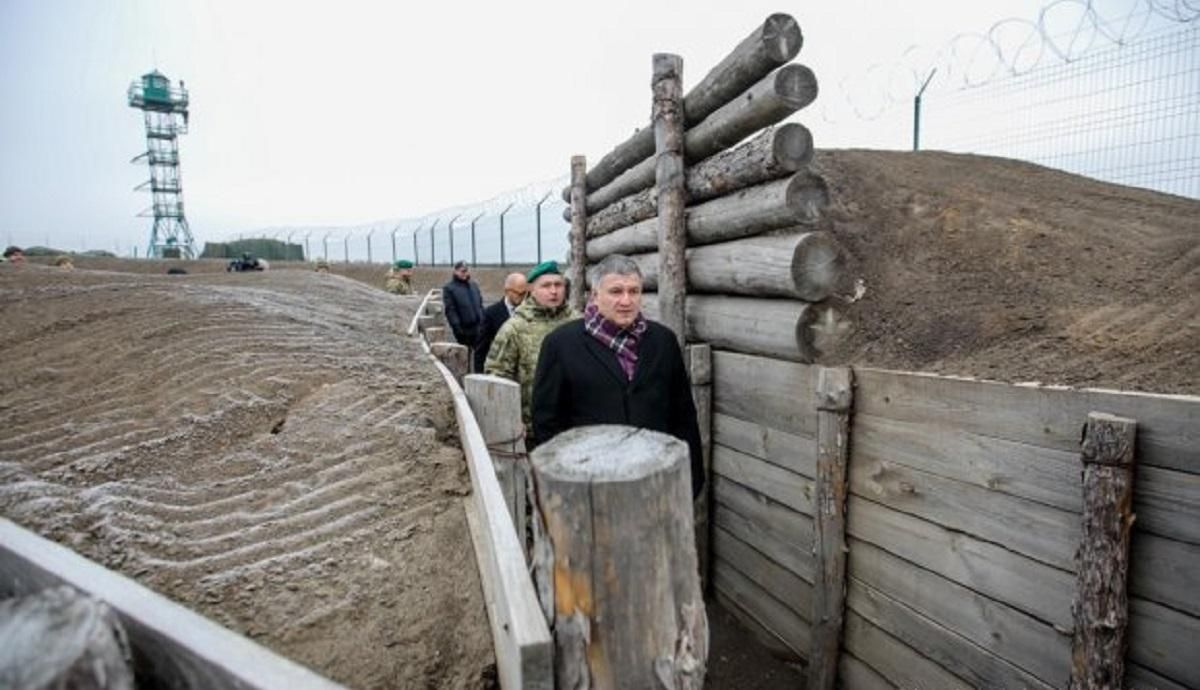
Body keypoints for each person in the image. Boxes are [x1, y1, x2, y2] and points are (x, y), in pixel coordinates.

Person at [531, 254, 703, 496]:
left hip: (656, 481)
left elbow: (683, 414)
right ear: (594, 295)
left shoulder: (663, 341)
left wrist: (692, 478)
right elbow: (546, 420)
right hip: (591, 486)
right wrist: (566, 482)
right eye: (616, 291)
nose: (626, 300)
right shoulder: (561, 344)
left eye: (634, 291)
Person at [485, 260, 578, 429]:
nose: (553, 291)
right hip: (533, 428)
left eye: (558, 285)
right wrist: (511, 420)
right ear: (532, 290)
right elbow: (497, 377)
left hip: (576, 425)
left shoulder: (578, 322)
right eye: (546, 286)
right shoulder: (515, 328)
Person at [474, 272, 527, 372]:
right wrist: (480, 376)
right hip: (501, 371)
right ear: (507, 291)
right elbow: (481, 349)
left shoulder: (528, 311)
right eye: (518, 294)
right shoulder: (491, 314)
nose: (522, 298)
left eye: (524, 293)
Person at [442, 260, 485, 348]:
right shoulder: (449, 288)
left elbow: (480, 305)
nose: (465, 273)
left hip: (479, 328)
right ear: (456, 271)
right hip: (464, 330)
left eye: (466, 271)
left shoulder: (473, 286)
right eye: (462, 271)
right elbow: (450, 310)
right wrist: (457, 329)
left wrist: (484, 320)